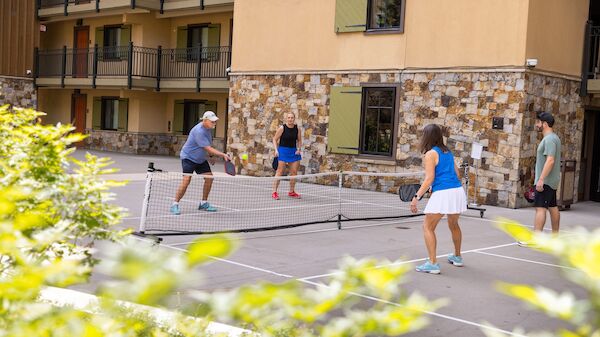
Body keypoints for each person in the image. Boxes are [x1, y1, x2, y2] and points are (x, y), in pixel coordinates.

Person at [410, 124, 467, 274]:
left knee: (427, 227)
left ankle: (433, 263)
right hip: (457, 190)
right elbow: (458, 173)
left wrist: (416, 197)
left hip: (444, 193)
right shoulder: (447, 152)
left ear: (427, 137)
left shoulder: (430, 154)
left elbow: (429, 178)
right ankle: (457, 256)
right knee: (454, 224)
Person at [170, 111, 231, 215]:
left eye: (215, 121)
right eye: (212, 122)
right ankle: (174, 204)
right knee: (186, 180)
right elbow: (207, 147)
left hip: (200, 159)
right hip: (188, 158)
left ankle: (203, 203)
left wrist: (211, 156)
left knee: (209, 178)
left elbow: (208, 145)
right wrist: (223, 155)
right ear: (205, 120)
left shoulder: (208, 130)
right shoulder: (199, 131)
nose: (214, 123)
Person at [520, 112, 561, 245]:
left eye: (538, 122)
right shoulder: (554, 138)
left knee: (540, 208)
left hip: (546, 181)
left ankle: (536, 239)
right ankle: (555, 238)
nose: (536, 125)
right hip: (551, 180)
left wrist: (541, 179)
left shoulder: (549, 139)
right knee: (553, 207)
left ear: (544, 124)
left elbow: (550, 160)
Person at [272, 112, 303, 200]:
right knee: (280, 171)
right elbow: (274, 139)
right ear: (286, 119)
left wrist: (299, 149)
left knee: (294, 172)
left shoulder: (297, 129)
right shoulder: (282, 128)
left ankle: (291, 192)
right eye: (288, 117)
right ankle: (274, 192)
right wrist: (276, 150)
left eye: (292, 117)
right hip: (282, 151)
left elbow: (300, 140)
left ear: (294, 118)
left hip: (293, 151)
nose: (290, 119)